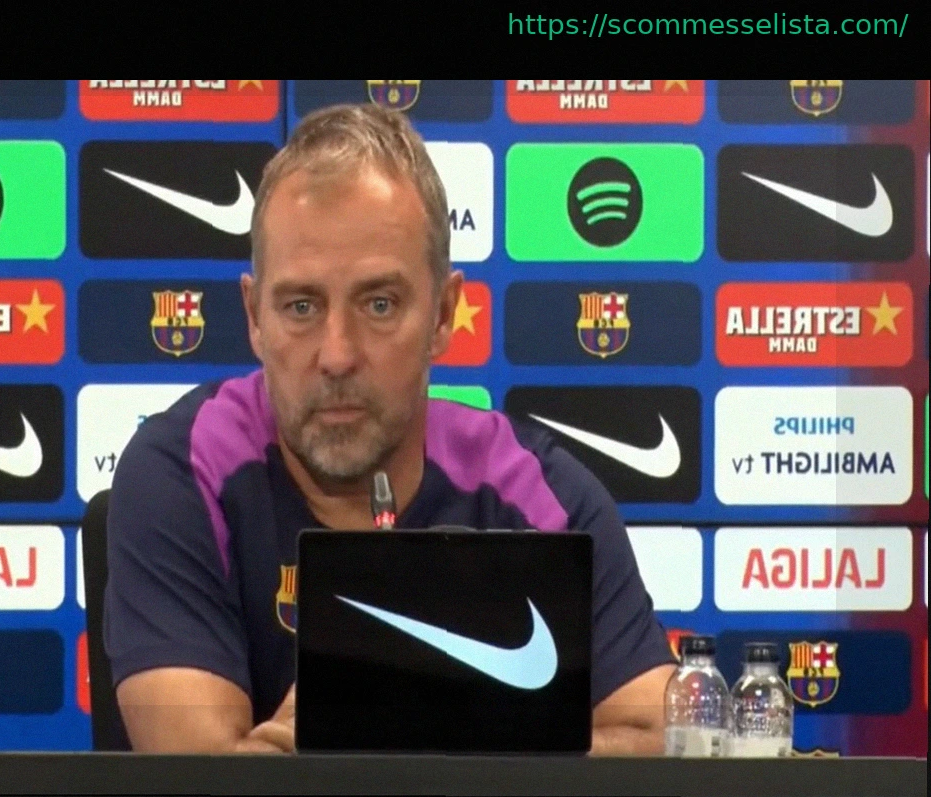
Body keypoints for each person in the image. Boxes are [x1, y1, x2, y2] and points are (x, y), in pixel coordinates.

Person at [104, 103, 677, 755]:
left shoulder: (539, 493)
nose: (337, 354)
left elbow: (662, 741)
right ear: (254, 317)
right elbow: (199, 775)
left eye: (379, 304)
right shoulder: (185, 470)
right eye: (301, 306)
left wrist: (425, 728)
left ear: (444, 314)